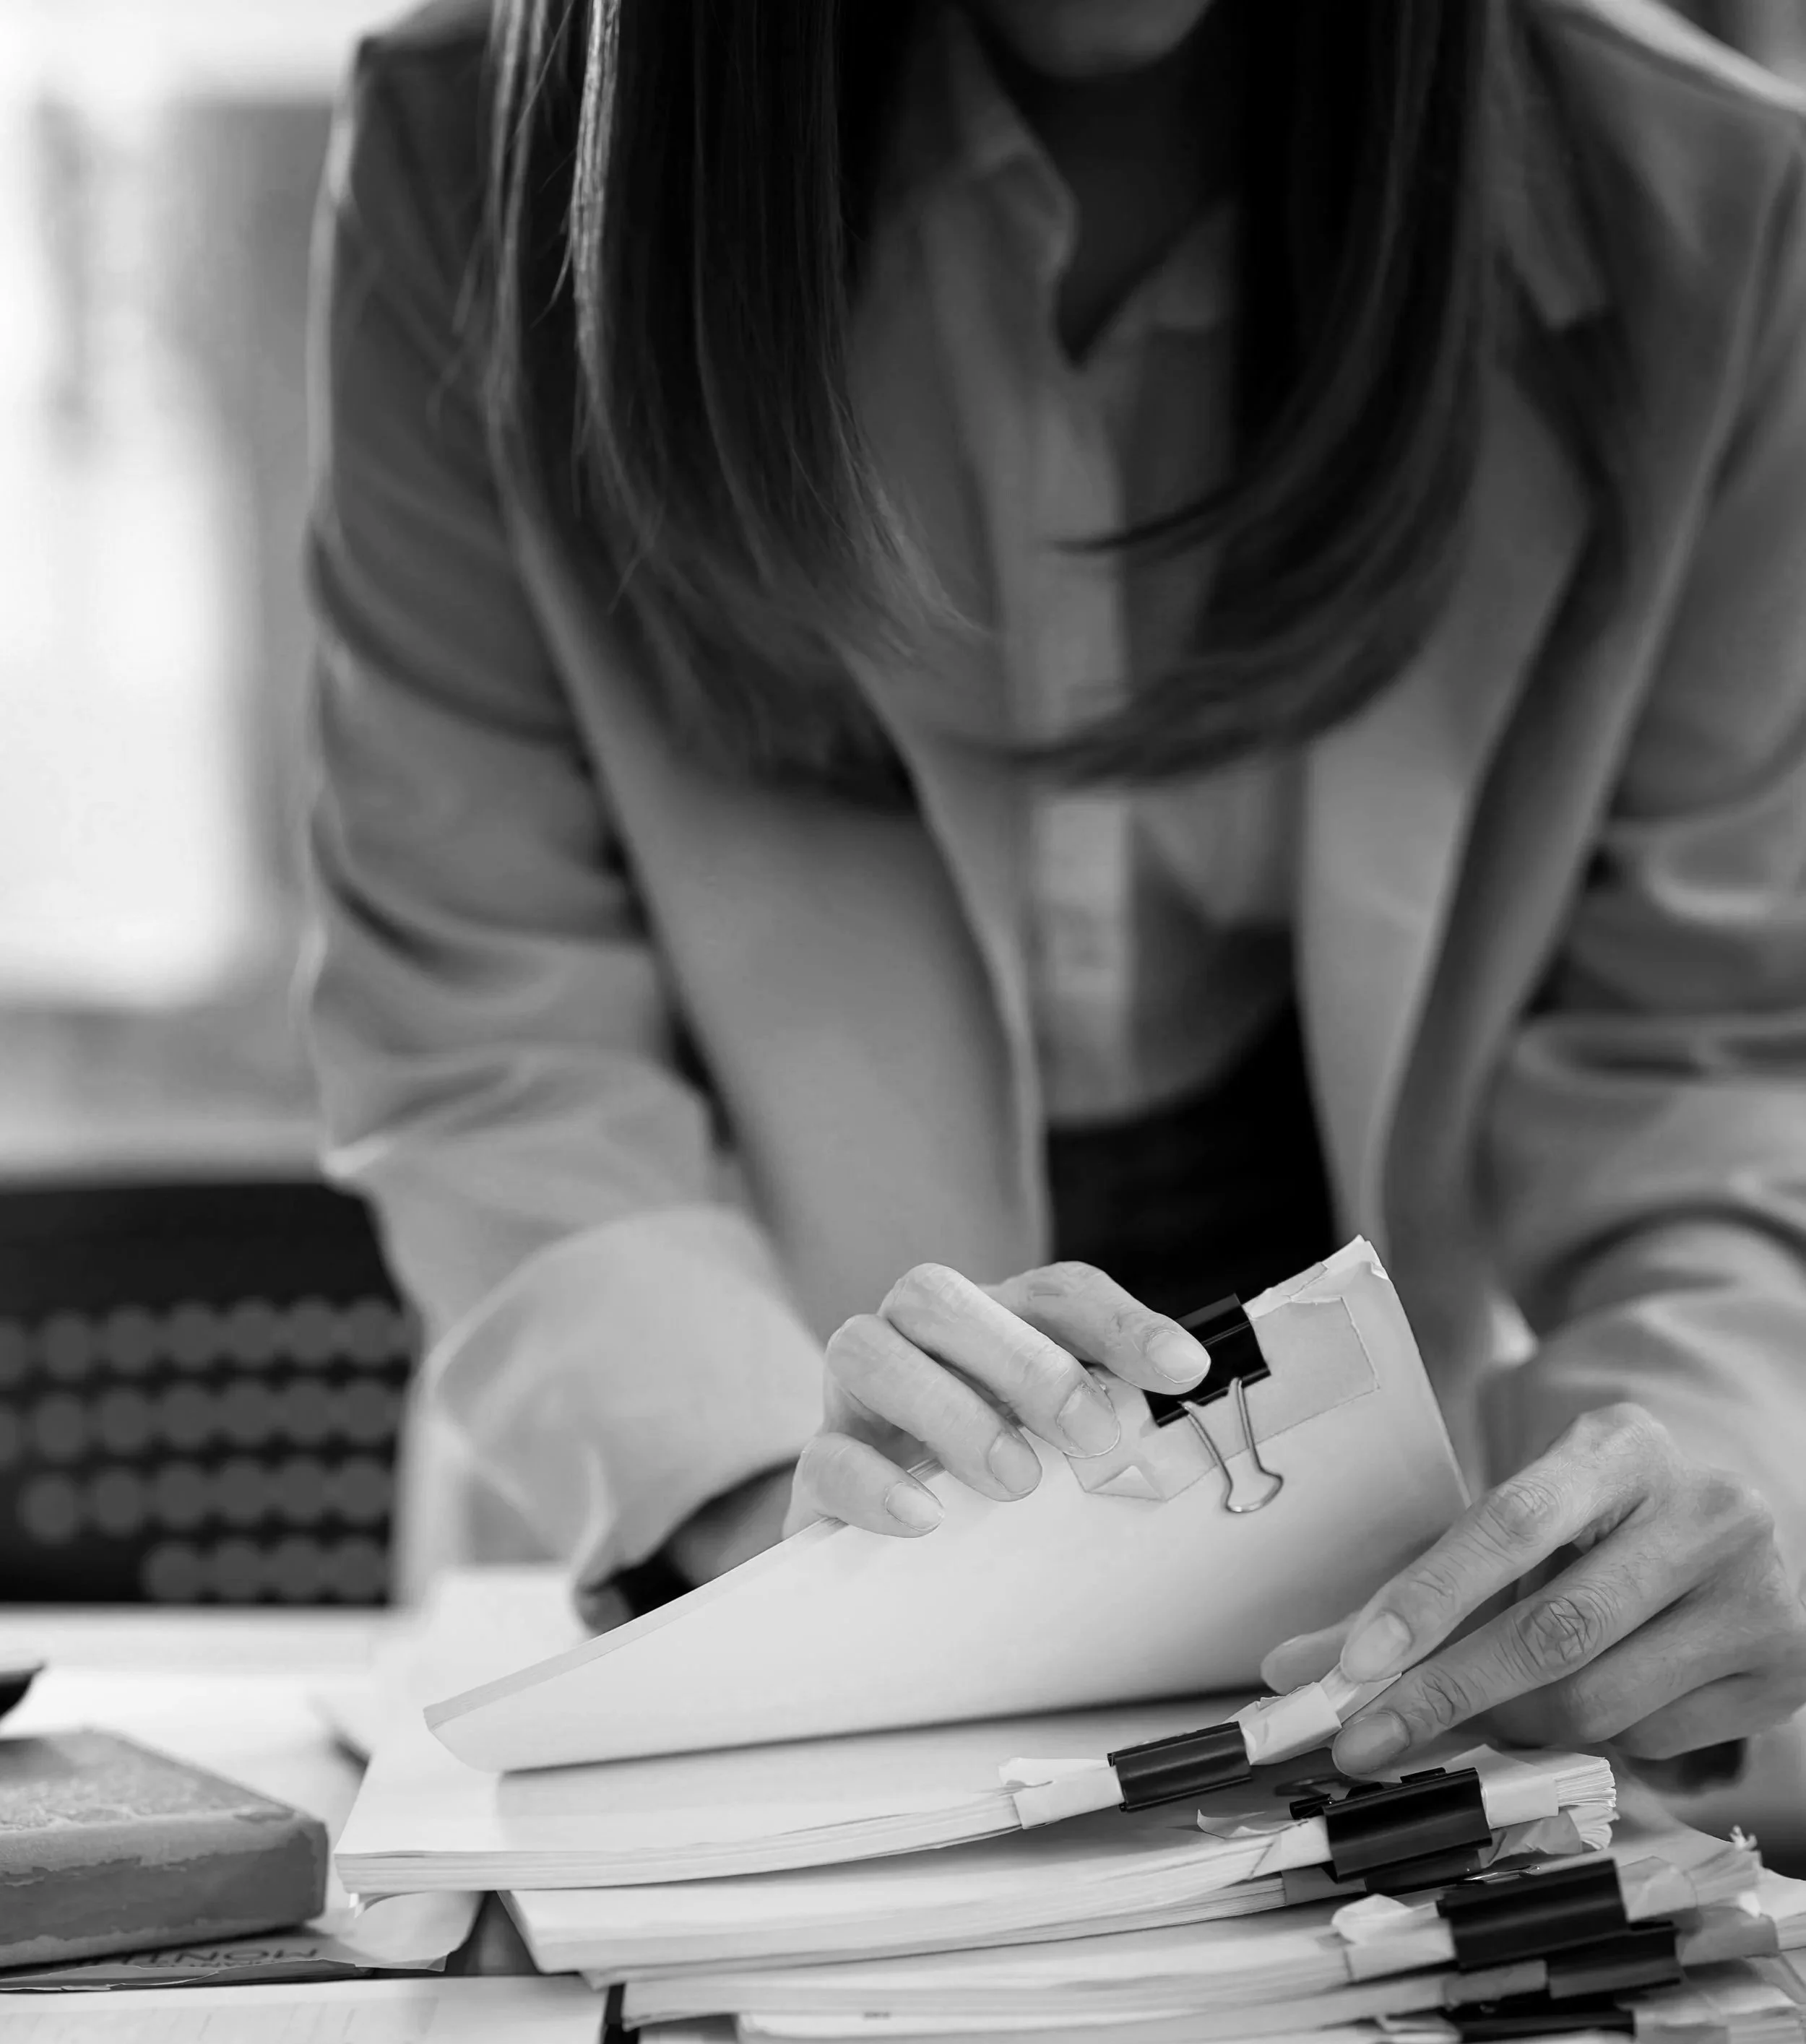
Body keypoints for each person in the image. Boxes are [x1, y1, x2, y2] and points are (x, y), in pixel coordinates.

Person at [306, 0, 1806, 1786]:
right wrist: (754, 1515)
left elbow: (1709, 1064)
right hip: (731, 1485)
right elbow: (491, 1035)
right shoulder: (463, 149)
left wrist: (1683, 1482)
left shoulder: (1721, 203)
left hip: (1383, 1547)